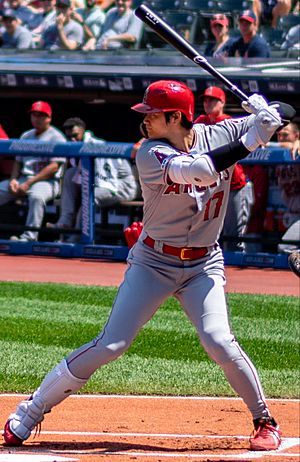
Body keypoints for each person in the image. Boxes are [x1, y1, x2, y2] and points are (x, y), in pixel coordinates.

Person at [3, 81, 290, 451]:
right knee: (111, 344)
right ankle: (30, 411)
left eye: (153, 114)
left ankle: (264, 420)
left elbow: (286, 112)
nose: (145, 120)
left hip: (203, 263)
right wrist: (255, 136)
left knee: (219, 339)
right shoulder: (150, 152)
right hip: (153, 261)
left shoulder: (217, 132)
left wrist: (269, 112)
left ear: (175, 116)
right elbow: (201, 171)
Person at [46, 117, 138, 242]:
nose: (72, 139)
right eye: (69, 137)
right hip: (101, 183)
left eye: (75, 135)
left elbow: (107, 182)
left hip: (122, 186)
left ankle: (78, 236)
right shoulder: (74, 147)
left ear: (83, 131)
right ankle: (65, 221)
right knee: (69, 174)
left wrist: (84, 191)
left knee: (89, 196)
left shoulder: (96, 145)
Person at [195, 86, 253, 251]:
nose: (208, 103)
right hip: (211, 187)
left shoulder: (230, 122)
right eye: (205, 100)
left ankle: (239, 270)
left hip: (234, 185)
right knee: (211, 233)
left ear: (222, 103)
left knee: (234, 235)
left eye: (212, 99)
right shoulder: (200, 122)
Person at [0, 101, 66, 242]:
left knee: (37, 197)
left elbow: (54, 167)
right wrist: (13, 179)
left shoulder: (56, 137)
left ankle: (29, 237)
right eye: (34, 115)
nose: (37, 118)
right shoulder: (26, 136)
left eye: (41, 115)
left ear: (49, 117)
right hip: (24, 178)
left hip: (47, 181)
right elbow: (18, 161)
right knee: (1, 189)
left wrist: (29, 183)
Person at [269, 123, 300, 253]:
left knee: (285, 247)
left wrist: (298, 142)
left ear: (296, 135)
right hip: (291, 213)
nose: (281, 137)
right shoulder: (279, 155)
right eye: (279, 135)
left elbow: (293, 146)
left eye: (285, 134)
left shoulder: (297, 150)